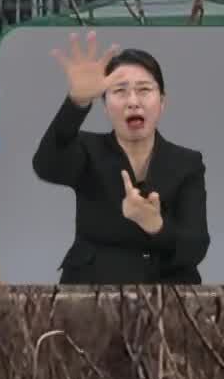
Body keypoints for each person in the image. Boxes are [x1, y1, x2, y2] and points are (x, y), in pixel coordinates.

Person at [32, 31, 209, 284]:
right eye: (120, 91)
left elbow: (196, 246)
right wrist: (76, 103)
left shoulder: (187, 163)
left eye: (144, 90)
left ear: (162, 102)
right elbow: (47, 166)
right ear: (105, 105)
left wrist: (155, 225)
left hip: (167, 293)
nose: (133, 102)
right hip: (93, 289)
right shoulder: (86, 149)